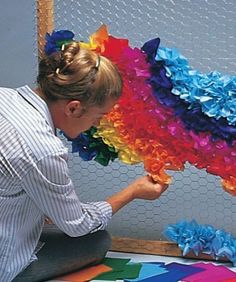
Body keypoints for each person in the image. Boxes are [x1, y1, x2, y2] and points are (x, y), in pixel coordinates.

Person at [0, 40, 168, 282]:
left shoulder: (5, 96)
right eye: (99, 116)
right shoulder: (44, 149)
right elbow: (77, 225)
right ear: (74, 108)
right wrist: (132, 192)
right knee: (97, 240)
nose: (98, 125)